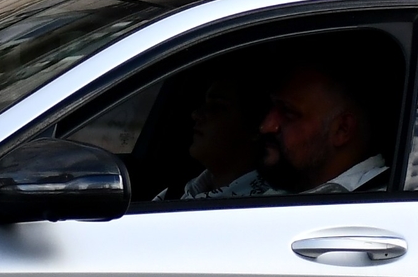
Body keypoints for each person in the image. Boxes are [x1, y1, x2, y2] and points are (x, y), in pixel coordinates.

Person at [256, 40, 393, 195]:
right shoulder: (273, 194)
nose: (266, 126)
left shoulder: (375, 205)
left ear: (342, 129)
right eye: (271, 108)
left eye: (288, 113)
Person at [158, 67, 276, 200]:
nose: (196, 114)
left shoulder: (267, 204)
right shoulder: (180, 191)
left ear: (257, 126)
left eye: (217, 107)